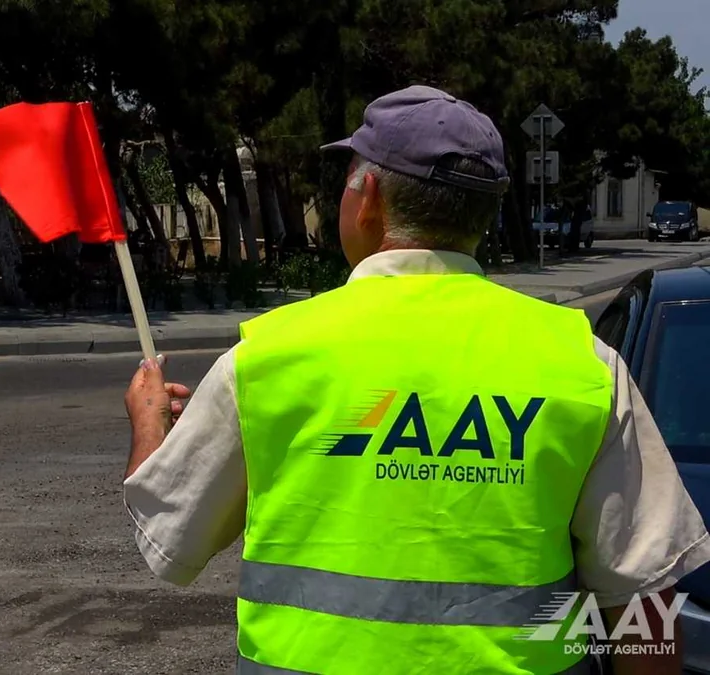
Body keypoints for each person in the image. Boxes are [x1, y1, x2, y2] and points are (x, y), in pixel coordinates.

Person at [122, 86, 710, 675]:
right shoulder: (583, 363)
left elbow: (171, 542)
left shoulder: (268, 358)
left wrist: (149, 427)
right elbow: (645, 603)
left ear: (368, 197)